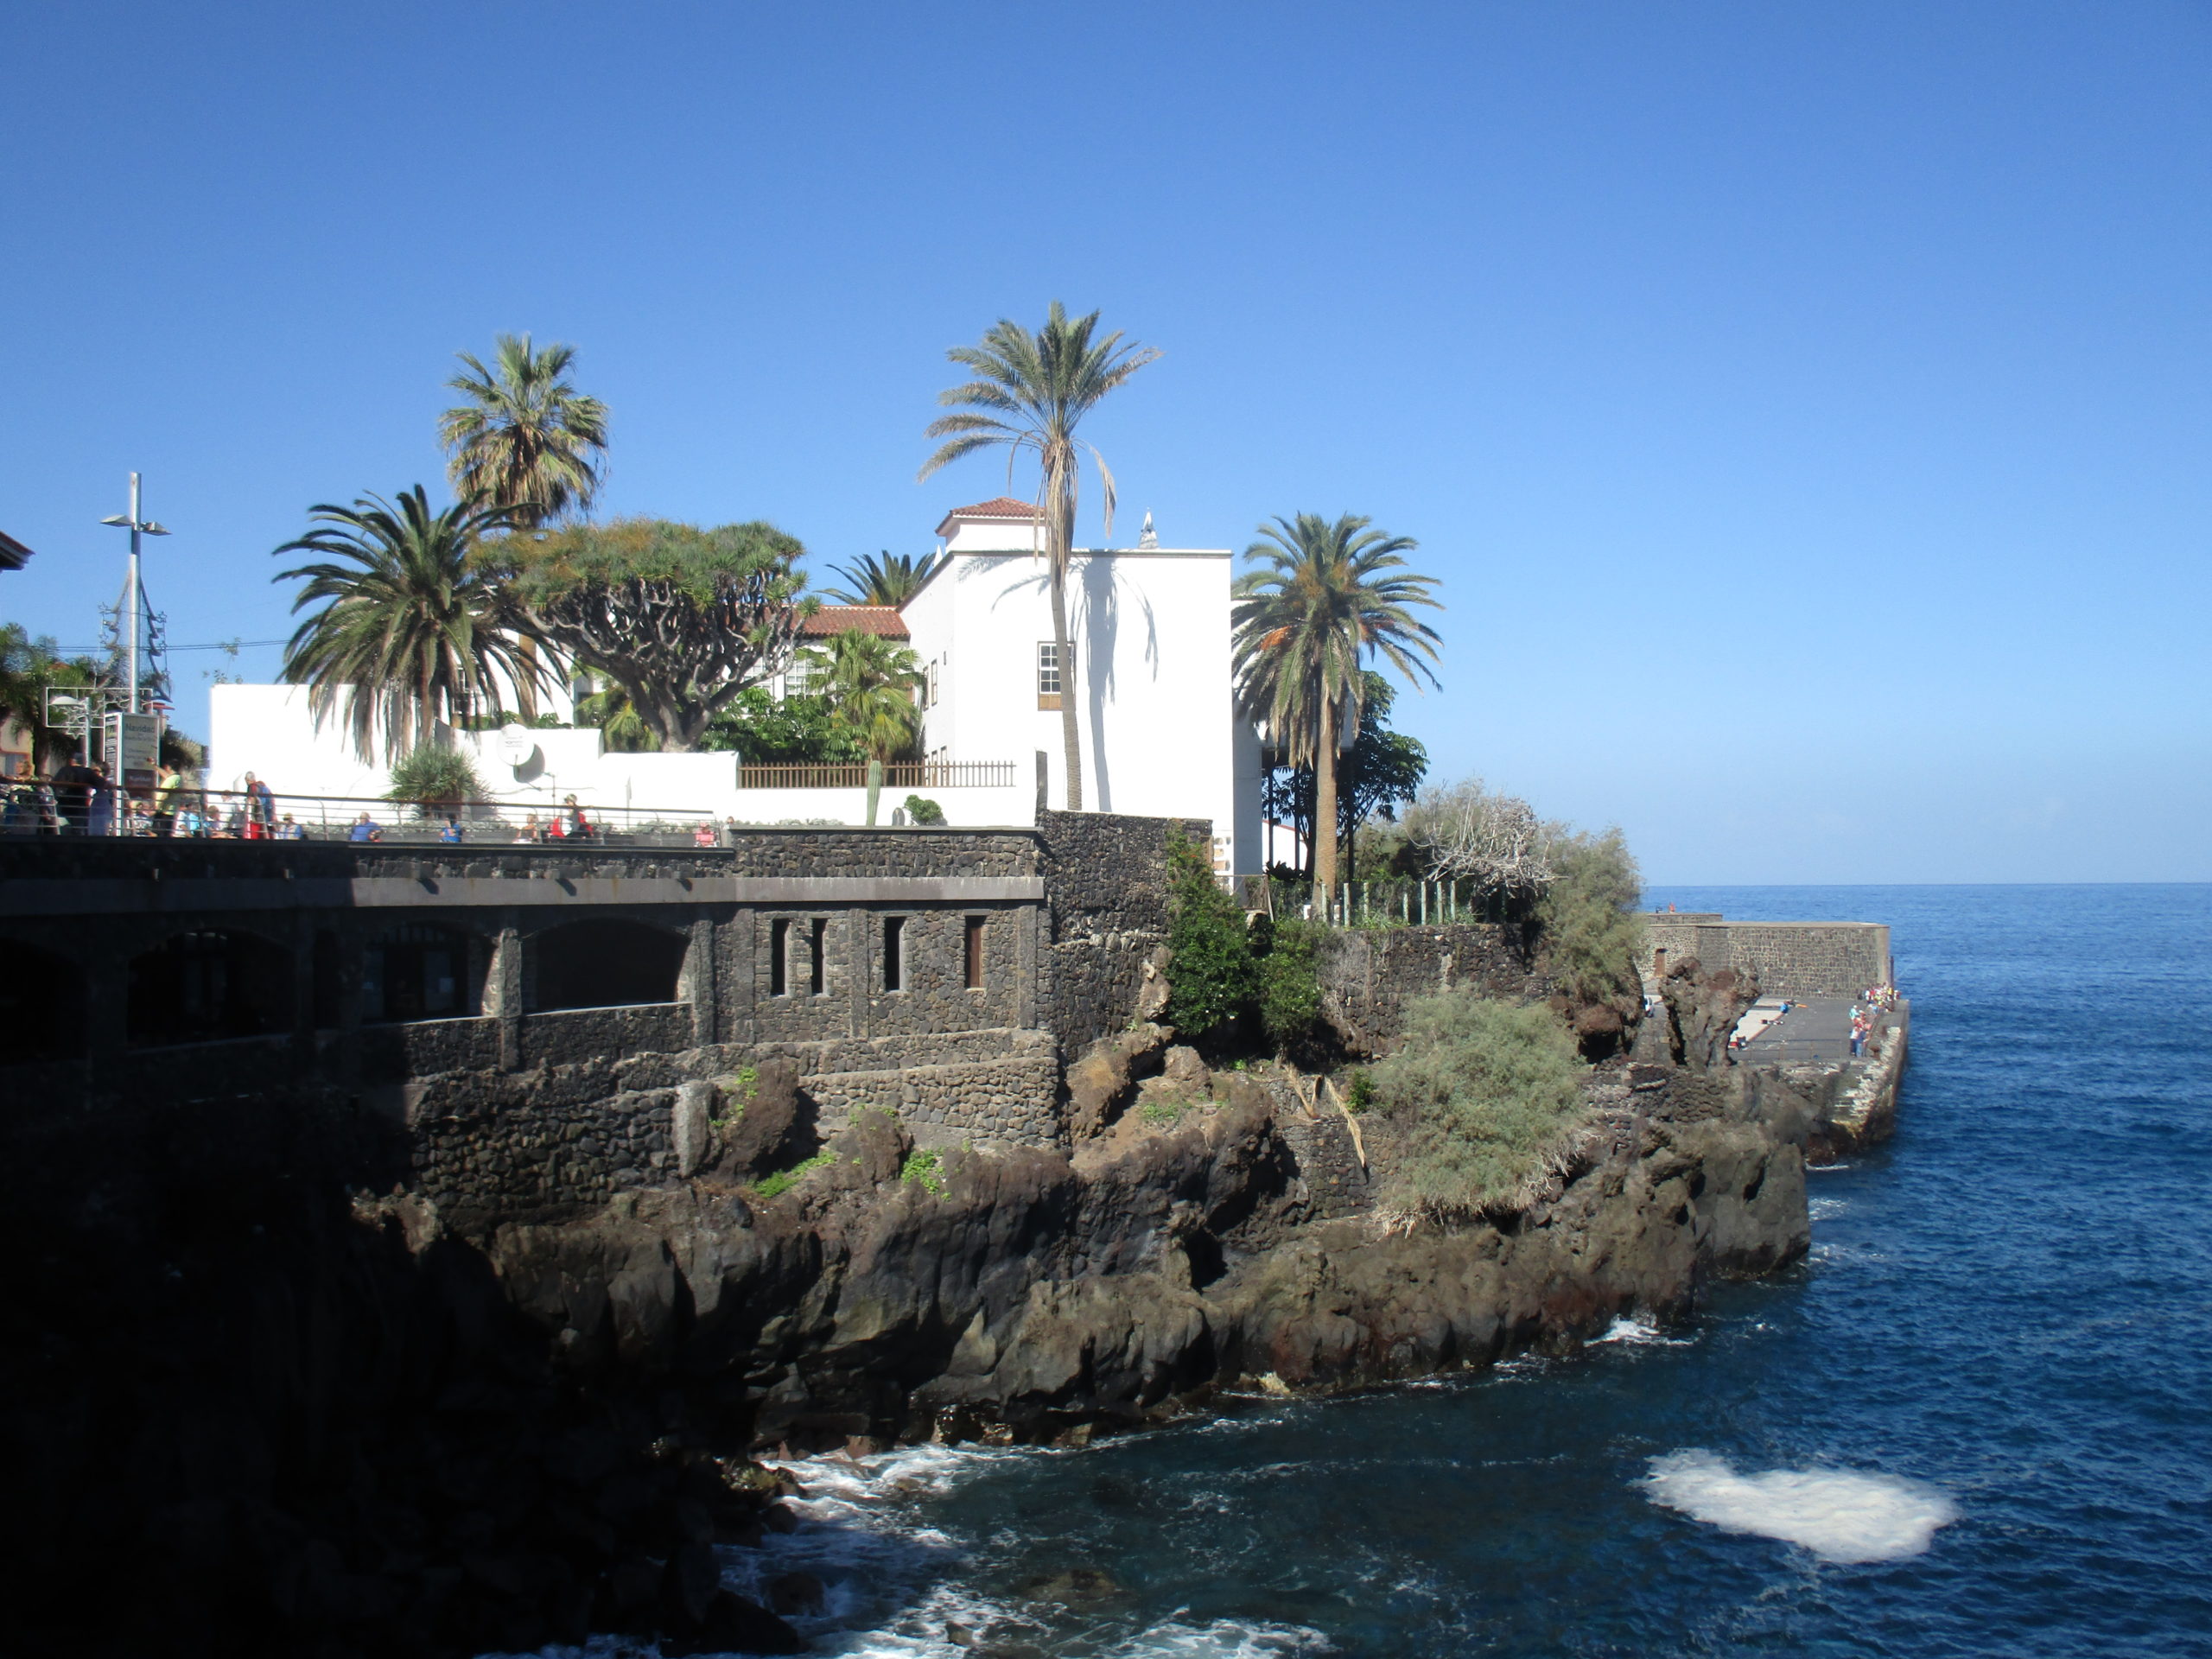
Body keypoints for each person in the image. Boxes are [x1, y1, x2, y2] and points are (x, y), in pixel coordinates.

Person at [242, 772, 276, 836]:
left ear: (247, 779)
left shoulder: (252, 787)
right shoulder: (265, 787)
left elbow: (253, 800)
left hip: (257, 820)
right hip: (267, 817)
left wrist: (253, 817)